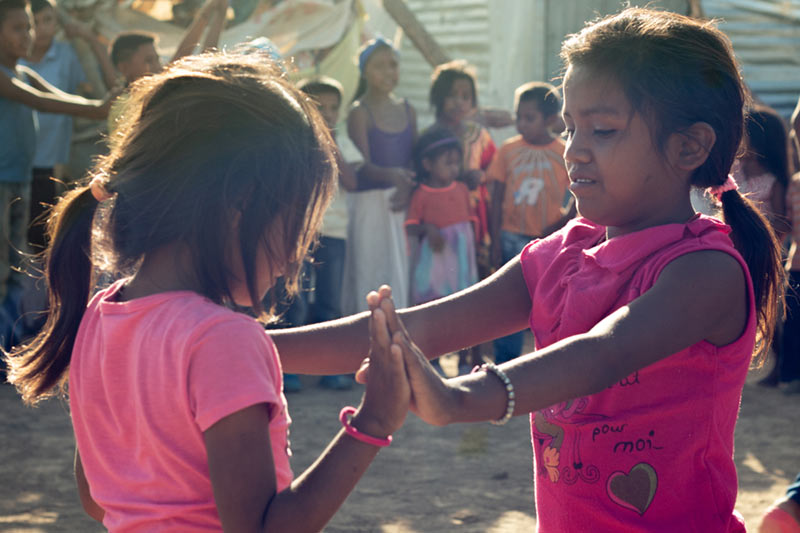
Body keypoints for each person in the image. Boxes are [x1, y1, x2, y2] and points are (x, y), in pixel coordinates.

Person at [270, 8, 785, 531]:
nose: (573, 150)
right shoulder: (556, 258)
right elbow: (414, 328)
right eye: (569, 127)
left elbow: (605, 351)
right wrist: (253, 343)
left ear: (688, 146)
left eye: (602, 130)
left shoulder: (705, 269)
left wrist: (457, 398)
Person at [4, 51, 410, 531]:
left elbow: (97, 497)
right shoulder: (224, 339)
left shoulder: (101, 315)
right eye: (296, 227)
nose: (293, 260)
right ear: (241, 200)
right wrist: (373, 423)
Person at [0, 0, 109, 349]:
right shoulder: (4, 77)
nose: (27, 35)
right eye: (18, 28)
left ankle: (10, 340)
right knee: (2, 265)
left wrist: (99, 107)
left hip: (19, 178)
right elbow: (41, 102)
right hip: (1, 181)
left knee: (16, 261)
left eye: (29, 26)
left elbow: (58, 96)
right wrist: (98, 109)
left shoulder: (23, 71)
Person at [487, 81, 573, 364]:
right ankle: (505, 362)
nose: (521, 123)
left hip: (547, 241)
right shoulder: (508, 150)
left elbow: (577, 191)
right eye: (519, 116)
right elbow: (495, 196)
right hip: (510, 236)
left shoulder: (565, 153)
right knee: (509, 303)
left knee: (547, 300)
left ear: (550, 120)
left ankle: (546, 360)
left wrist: (564, 222)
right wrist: (495, 239)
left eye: (529, 118)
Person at [20, 0, 116, 250]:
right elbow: (41, 101)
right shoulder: (14, 66)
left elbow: (75, 95)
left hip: (50, 163)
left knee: (41, 239)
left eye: (48, 20)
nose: (40, 29)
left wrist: (87, 38)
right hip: (15, 165)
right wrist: (97, 109)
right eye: (33, 23)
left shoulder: (66, 54)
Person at [343, 36, 416, 313]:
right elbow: (364, 166)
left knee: (398, 273)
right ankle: (363, 339)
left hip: (400, 201)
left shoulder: (408, 110)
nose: (389, 72)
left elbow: (413, 159)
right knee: (368, 272)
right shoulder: (359, 112)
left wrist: (406, 185)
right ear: (364, 71)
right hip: (369, 205)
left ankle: (396, 336)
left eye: (393, 65)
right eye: (380, 66)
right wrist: (396, 176)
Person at [295, 74, 358, 391]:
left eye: (334, 108)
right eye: (321, 108)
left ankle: (330, 368)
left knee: (329, 302)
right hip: (301, 233)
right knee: (296, 300)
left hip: (335, 232)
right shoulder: (295, 143)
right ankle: (290, 369)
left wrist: (331, 143)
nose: (329, 114)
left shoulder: (341, 141)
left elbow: (352, 181)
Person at [107, 0, 226, 132]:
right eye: (149, 60)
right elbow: (183, 58)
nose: (157, 67)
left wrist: (216, 15)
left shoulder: (156, 93)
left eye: (157, 59)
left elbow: (197, 59)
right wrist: (208, 15)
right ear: (124, 68)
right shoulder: (126, 106)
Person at [405, 127, 477, 306]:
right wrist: (428, 228)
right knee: (434, 298)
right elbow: (410, 226)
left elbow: (470, 223)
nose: (454, 168)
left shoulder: (462, 189)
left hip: (461, 255)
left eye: (456, 163)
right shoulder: (421, 194)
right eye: (448, 163)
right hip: (435, 256)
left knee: (460, 297)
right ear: (428, 165)